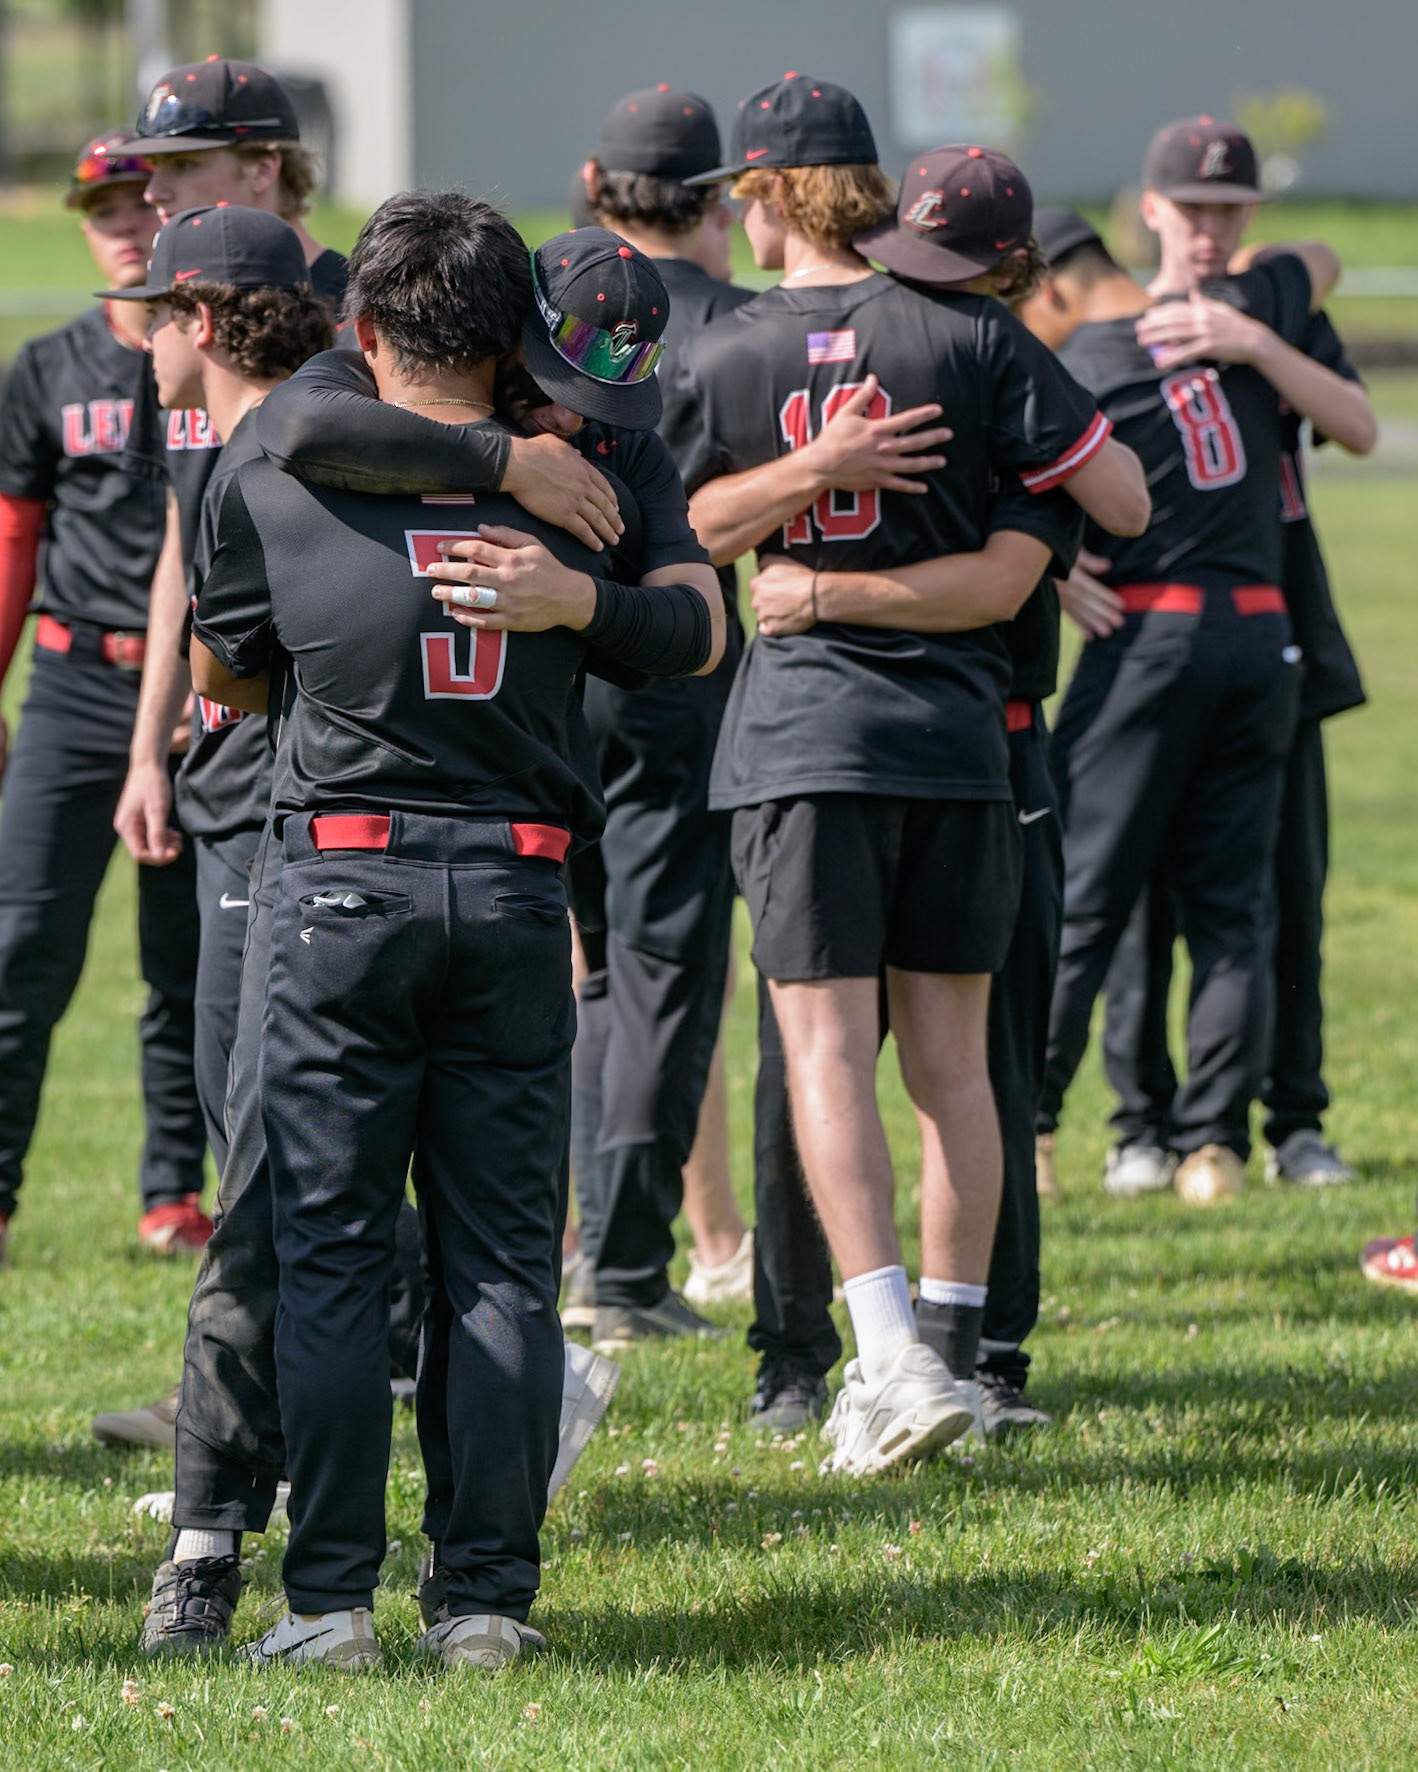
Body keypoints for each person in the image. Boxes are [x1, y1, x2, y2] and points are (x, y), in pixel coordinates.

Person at [189, 195, 721, 1669]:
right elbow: (695, 630)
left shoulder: (288, 460)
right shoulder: (594, 460)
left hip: (338, 887)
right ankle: (484, 1602)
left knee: (339, 1258)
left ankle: (330, 1606)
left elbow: (228, 679)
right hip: (513, 888)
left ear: (361, 330)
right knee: (497, 1262)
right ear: (510, 339)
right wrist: (570, 597)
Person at [679, 75, 1146, 1474]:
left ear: (764, 195)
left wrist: (799, 509)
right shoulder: (974, 333)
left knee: (820, 1054)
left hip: (802, 741)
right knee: (955, 1063)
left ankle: (882, 1358)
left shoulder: (727, 349)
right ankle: (957, 1355)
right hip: (956, 740)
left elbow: (688, 531)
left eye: (738, 198)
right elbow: (1119, 499)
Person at [1019, 120, 1375, 1206]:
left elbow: (1352, 410)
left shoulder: (1233, 317)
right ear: (1149, 212)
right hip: (1220, 630)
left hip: (1217, 635)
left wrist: (1259, 342)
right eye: (1194, 208)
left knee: (1206, 898)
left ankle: (1166, 1125)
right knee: (1136, 903)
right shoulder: (1115, 336)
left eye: (1231, 210)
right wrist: (1049, 574)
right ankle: (1136, 1124)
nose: (1214, 228)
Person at [563, 85, 754, 1345]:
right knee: (666, 971)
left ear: (594, 185)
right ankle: (624, 1267)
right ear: (724, 195)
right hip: (678, 666)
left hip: (557, 658)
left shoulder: (568, 305)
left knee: (589, 973)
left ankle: (580, 1239)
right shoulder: (749, 324)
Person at [0, 133, 207, 1267]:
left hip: (196, 694)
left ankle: (173, 1193)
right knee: (23, 944)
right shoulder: (47, 367)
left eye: (142, 199)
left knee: (184, 964)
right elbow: (13, 539)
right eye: (104, 206)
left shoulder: (211, 357)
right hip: (77, 686)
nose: (126, 221)